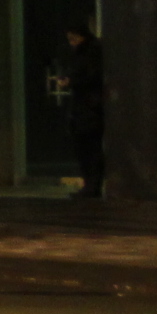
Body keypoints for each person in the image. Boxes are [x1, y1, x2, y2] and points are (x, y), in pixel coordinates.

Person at [54, 25, 108, 200]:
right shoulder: (84, 53)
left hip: (89, 108)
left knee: (89, 148)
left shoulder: (90, 53)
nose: (72, 43)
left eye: (74, 39)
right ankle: (91, 185)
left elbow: (90, 77)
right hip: (84, 108)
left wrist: (71, 81)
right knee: (85, 148)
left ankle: (92, 185)